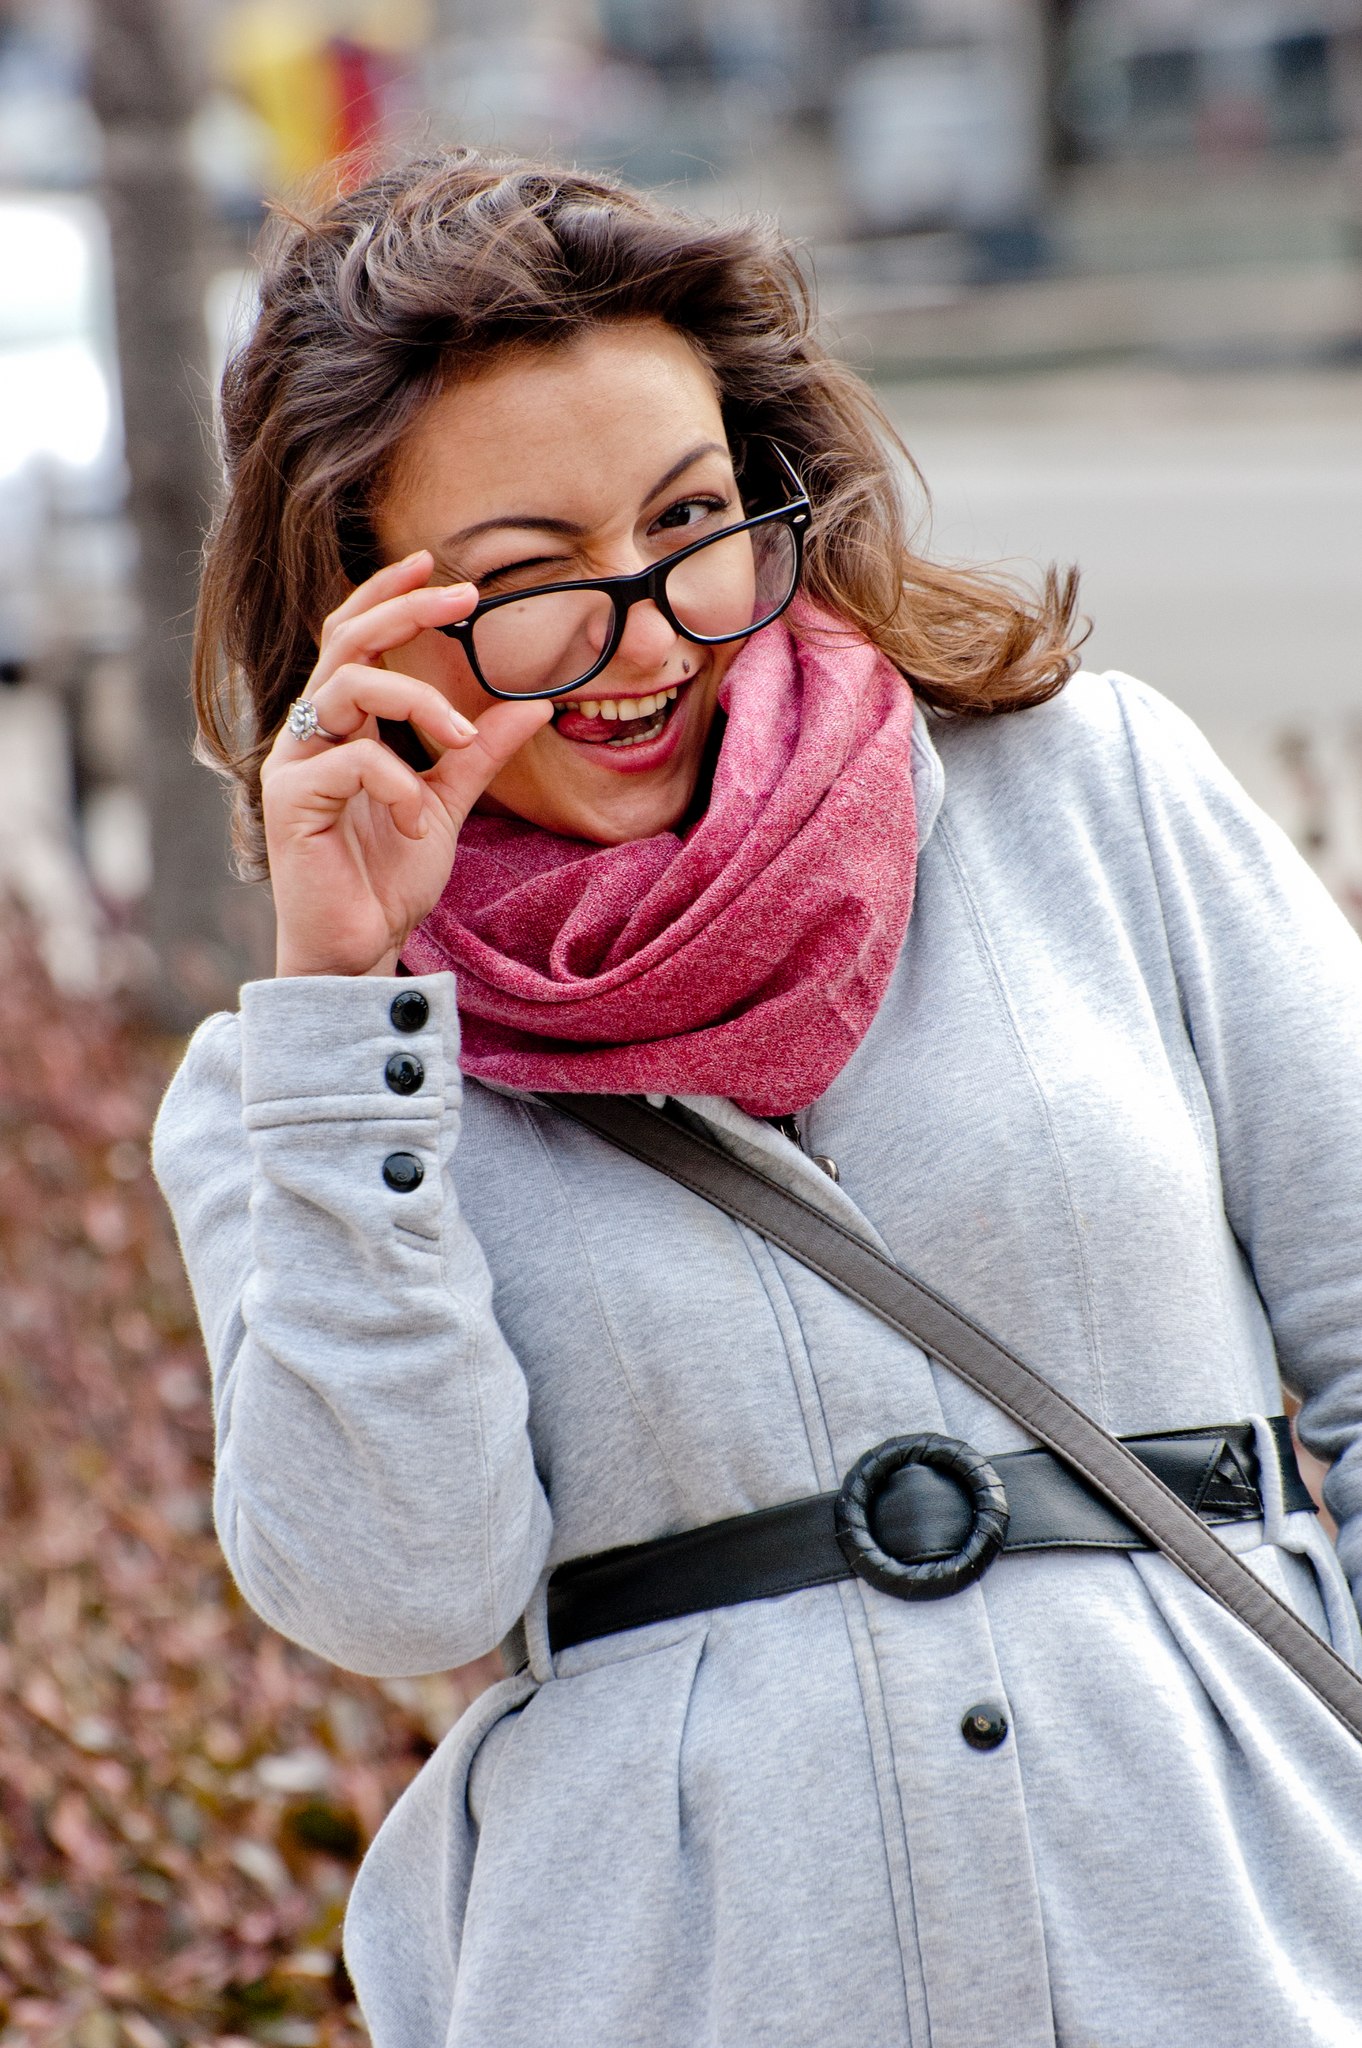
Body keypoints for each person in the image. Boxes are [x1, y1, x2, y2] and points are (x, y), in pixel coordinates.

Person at [153, 149, 1362, 2048]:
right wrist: (350, 1012)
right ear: (352, 613)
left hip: (1233, 1959)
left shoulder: (1089, 797)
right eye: (523, 582)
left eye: (690, 520)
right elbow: (399, 1596)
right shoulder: (299, 1083)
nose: (643, 639)